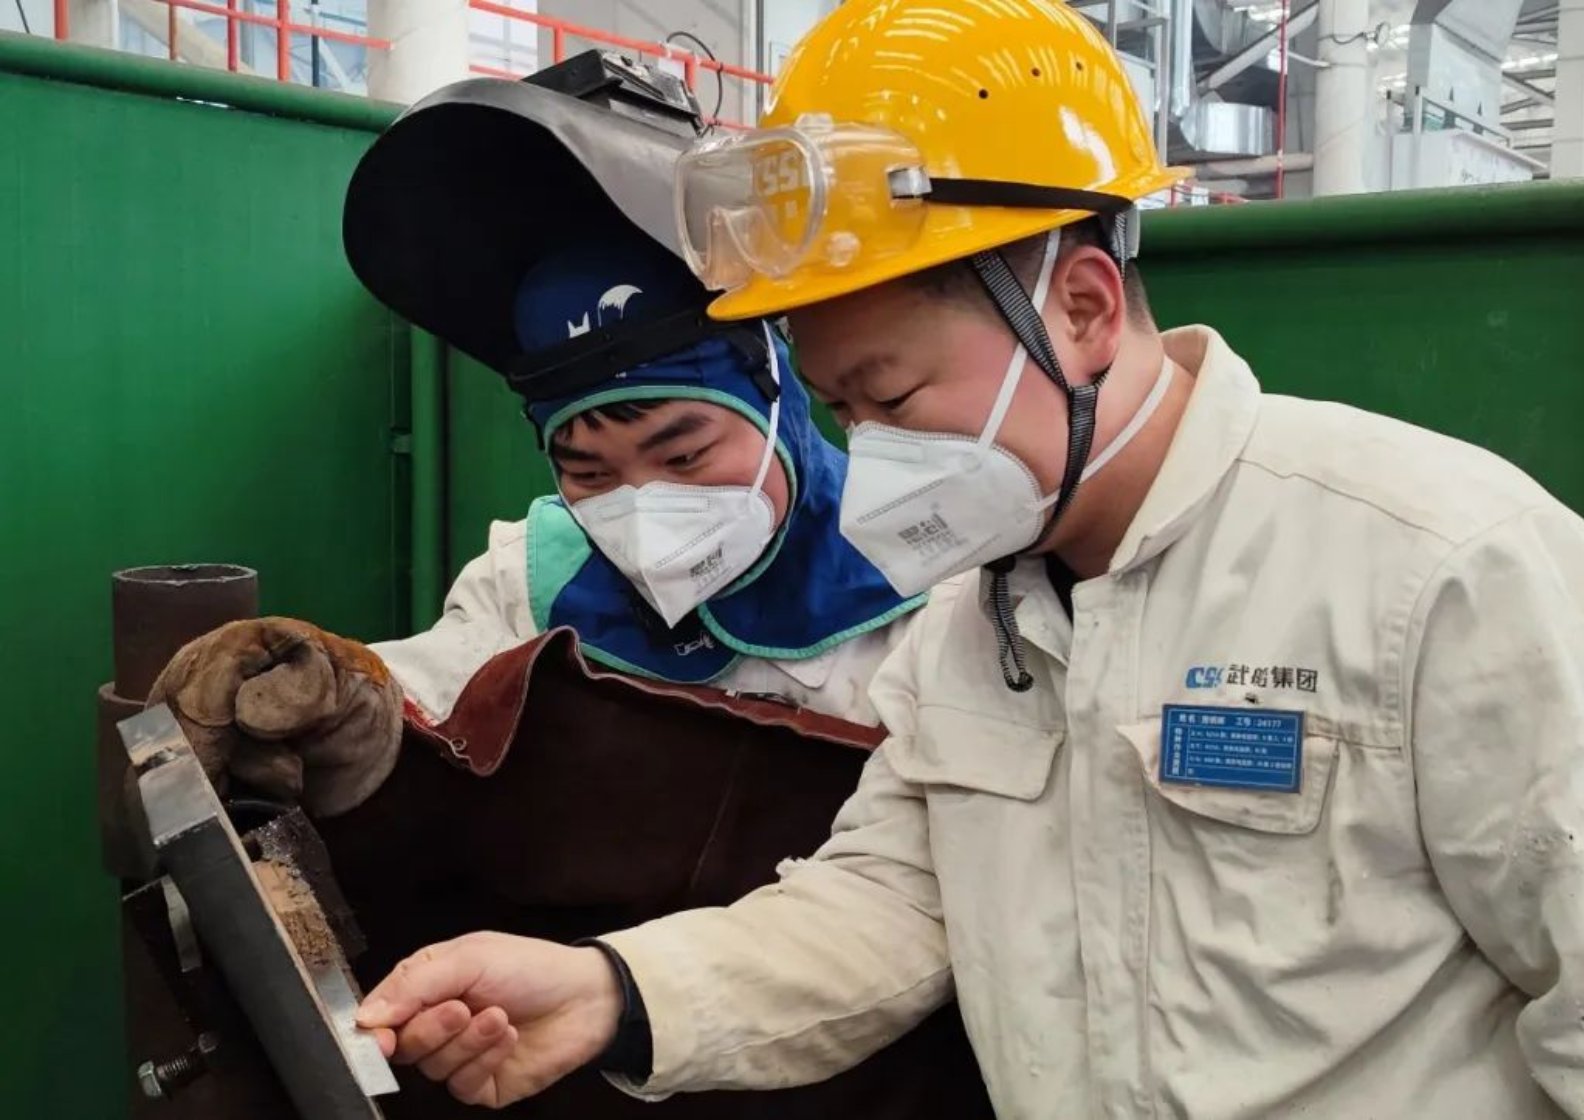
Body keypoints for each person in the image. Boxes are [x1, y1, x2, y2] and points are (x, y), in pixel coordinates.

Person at [357, 2, 1584, 1117]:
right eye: (843, 414)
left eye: (893, 396)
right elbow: (891, 903)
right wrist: (613, 992)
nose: (874, 460)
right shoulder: (972, 622)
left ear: (1083, 308)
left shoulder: (1436, 568)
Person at [147, 53, 991, 1120]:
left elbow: (913, 915)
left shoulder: (938, 587)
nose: (642, 504)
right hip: (577, 1056)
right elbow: (434, 703)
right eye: (587, 470)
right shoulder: (533, 573)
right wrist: (339, 694)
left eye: (685, 454)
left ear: (783, 395)